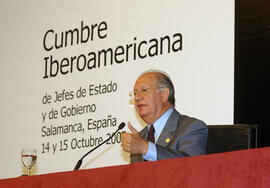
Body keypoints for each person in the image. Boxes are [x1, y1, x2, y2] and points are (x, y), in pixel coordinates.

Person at [121, 70, 208, 163]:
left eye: (144, 90)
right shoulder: (140, 138)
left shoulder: (192, 127)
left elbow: (192, 164)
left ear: (164, 94)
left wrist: (146, 148)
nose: (137, 97)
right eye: (134, 93)